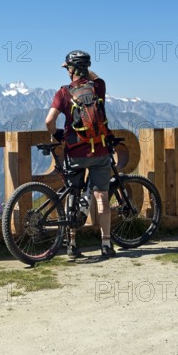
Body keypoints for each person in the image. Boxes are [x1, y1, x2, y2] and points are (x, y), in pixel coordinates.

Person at [44, 50, 116, 258]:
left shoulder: (64, 93)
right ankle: (106, 244)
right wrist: (85, 70)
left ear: (70, 70)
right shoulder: (98, 88)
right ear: (86, 68)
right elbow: (98, 78)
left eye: (67, 68)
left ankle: (72, 245)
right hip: (100, 151)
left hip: (74, 153)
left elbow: (49, 121)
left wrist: (56, 134)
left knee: (72, 196)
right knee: (102, 197)